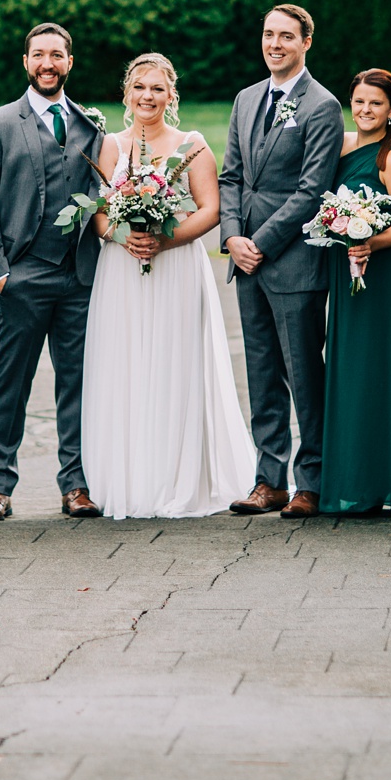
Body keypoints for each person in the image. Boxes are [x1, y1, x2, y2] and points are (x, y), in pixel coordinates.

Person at [81, 54, 256, 520]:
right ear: (127, 93)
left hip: (176, 269)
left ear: (170, 95)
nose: (147, 96)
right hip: (121, 272)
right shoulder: (112, 146)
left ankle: (176, 478)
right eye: (140, 87)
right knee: (125, 367)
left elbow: (210, 208)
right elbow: (97, 212)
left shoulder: (192, 145)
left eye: (157, 89)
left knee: (173, 365)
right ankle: (129, 477)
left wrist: (163, 240)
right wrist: (125, 237)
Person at [0, 23, 107, 520]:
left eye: (57, 55)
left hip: (80, 276)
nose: (48, 64)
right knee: (11, 381)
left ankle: (76, 485)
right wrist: (0, 271)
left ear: (70, 62)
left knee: (78, 382)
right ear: (25, 62)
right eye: (38, 55)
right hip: (23, 274)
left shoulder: (93, 125)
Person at [218, 4, 344, 519]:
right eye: (269, 34)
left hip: (292, 261)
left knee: (303, 374)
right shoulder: (246, 99)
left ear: (306, 43)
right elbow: (230, 177)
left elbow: (312, 190)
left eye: (286, 36)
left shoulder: (322, 106)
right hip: (245, 258)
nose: (275, 44)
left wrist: (261, 242)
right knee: (262, 371)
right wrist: (231, 237)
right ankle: (267, 479)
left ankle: (310, 481)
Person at [320, 69, 391, 517]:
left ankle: (386, 482)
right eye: (359, 101)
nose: (365, 110)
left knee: (377, 370)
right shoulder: (342, 145)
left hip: (379, 273)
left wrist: (370, 241)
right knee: (346, 370)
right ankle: (351, 480)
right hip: (343, 270)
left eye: (375, 103)